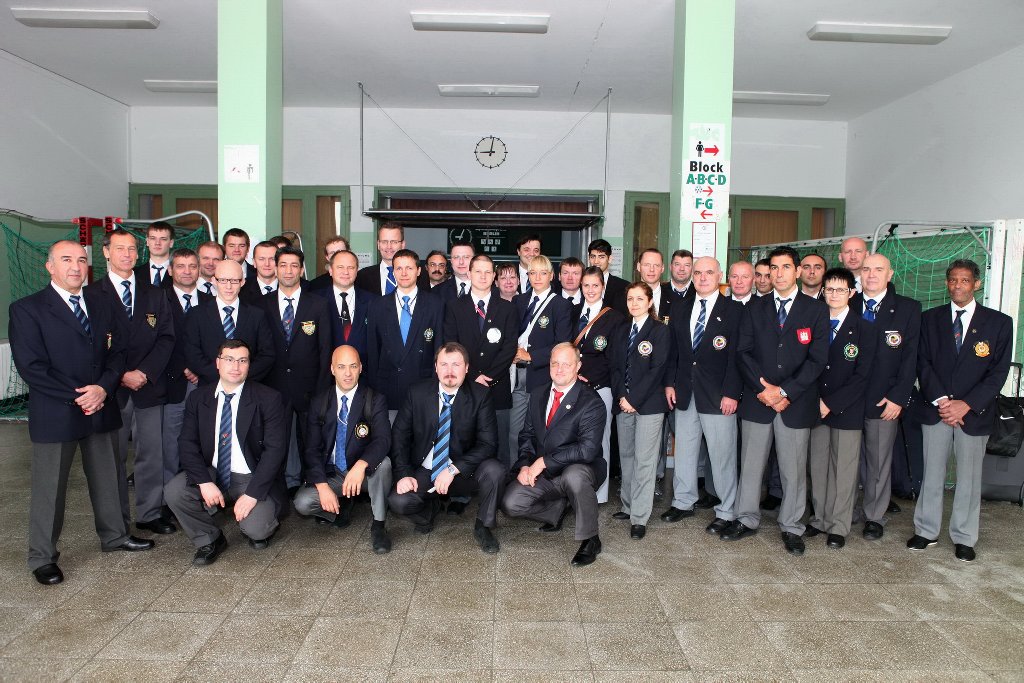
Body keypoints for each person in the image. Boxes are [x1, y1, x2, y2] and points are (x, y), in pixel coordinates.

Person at [9, 240, 154, 585]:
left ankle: (115, 535)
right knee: (50, 488)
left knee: (108, 477)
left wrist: (103, 388)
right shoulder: (27, 309)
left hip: (101, 404)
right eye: (66, 260)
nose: (75, 266)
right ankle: (42, 557)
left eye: (79, 260)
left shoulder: (101, 302)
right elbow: (32, 367)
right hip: (57, 411)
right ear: (50, 267)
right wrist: (81, 397)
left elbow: (118, 352)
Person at [722, 246, 828, 556]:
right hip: (759, 400)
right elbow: (743, 353)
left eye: (785, 267)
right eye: (774, 269)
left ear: (798, 271)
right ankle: (746, 518)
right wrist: (765, 389)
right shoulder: (755, 308)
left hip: (795, 402)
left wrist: (784, 392)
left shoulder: (816, 310)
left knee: (793, 470)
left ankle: (792, 526)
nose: (779, 274)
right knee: (751, 465)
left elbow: (817, 360)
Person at [909, 259, 1012, 562]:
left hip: (973, 413)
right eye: (953, 280)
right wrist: (942, 400)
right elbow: (922, 362)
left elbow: (998, 371)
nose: (958, 285)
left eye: (964, 280)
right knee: (931, 474)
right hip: (937, 410)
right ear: (947, 283)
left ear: (976, 284)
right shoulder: (929, 319)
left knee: (969, 478)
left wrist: (966, 404)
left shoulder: (998, 323)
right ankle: (926, 531)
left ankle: (965, 537)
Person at [164, 340, 289, 565]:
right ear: (218, 363)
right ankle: (209, 538)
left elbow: (275, 451)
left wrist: (252, 495)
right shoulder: (198, 398)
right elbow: (187, 443)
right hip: (213, 472)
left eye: (242, 361)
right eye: (229, 360)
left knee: (257, 530)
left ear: (249, 365)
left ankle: (254, 518)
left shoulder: (268, 398)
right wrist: (203, 482)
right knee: (174, 491)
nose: (236, 367)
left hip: (250, 476)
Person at [86, 228, 176, 535]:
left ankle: (150, 513)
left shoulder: (155, 293)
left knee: (151, 454)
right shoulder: (91, 295)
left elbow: (166, 337)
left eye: (132, 249)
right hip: (111, 391)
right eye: (120, 248)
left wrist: (144, 372)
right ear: (106, 252)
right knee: (112, 459)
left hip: (148, 386)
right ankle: (117, 524)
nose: (127, 254)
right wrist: (120, 375)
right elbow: (91, 343)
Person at [388, 343, 506, 553]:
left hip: (463, 472)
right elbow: (399, 436)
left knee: (495, 470)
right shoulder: (417, 393)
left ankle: (484, 526)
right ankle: (428, 511)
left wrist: (453, 469)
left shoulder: (480, 395)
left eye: (456, 365)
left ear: (467, 368)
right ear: (435, 367)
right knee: (398, 501)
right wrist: (404, 474)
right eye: (444, 364)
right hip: (427, 470)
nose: (449, 371)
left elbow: (488, 444)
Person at [502, 343, 607, 566]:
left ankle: (591, 539)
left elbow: (587, 450)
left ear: (578, 366)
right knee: (511, 503)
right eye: (554, 363)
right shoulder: (538, 394)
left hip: (581, 469)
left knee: (574, 476)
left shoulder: (591, 401)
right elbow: (527, 435)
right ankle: (556, 510)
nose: (559, 369)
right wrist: (524, 465)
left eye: (566, 364)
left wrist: (544, 462)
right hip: (547, 474)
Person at [664, 257, 743, 534]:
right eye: (697, 273)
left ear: (720, 276)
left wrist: (732, 392)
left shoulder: (734, 310)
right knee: (685, 452)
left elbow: (737, 357)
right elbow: (673, 351)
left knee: (722, 456)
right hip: (686, 391)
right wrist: (670, 383)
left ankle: (727, 510)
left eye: (709, 272)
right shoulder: (680, 307)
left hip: (719, 395)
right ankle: (683, 501)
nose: (702, 277)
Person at [850, 253, 921, 540]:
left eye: (878, 269)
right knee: (847, 461)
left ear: (890, 274)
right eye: (866, 269)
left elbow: (911, 357)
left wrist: (898, 397)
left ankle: (874, 516)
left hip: (884, 399)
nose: (871, 274)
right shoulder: (846, 302)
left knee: (878, 462)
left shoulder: (907, 308)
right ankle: (846, 511)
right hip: (847, 399)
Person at [297, 345, 393, 554]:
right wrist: (323, 487)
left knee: (384, 464)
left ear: (361, 368)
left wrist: (361, 465)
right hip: (334, 473)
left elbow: (383, 440)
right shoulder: (319, 402)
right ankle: (338, 509)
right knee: (303, 503)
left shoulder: (374, 399)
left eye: (353, 366)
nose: (347, 373)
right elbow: (311, 449)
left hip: (364, 474)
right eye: (341, 367)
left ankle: (379, 525)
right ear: (332, 369)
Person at [806, 268, 876, 549]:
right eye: (830, 289)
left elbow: (863, 375)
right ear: (823, 292)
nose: (834, 295)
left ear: (852, 293)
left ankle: (838, 525)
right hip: (814, 406)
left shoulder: (864, 328)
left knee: (844, 469)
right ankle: (819, 519)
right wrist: (817, 401)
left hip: (846, 408)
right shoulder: (813, 322)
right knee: (818, 466)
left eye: (841, 290)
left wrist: (831, 403)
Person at [260, 246, 332, 493]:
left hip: (309, 388)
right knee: (275, 441)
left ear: (302, 270)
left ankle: (312, 487)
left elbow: (325, 350)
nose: (288, 271)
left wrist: (322, 390)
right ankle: (279, 489)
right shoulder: (262, 305)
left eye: (294, 265)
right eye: (283, 265)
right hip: (273, 387)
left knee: (310, 440)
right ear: (275, 268)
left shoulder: (318, 304)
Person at [443, 254, 518, 472]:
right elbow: (451, 345)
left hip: (498, 386)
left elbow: (509, 348)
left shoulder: (507, 308)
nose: (483, 276)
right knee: (463, 442)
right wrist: (474, 374)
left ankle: (500, 486)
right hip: (465, 385)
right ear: (469, 274)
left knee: (500, 443)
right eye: (478, 271)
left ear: (494, 276)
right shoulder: (454, 307)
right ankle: (462, 487)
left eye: (488, 272)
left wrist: (489, 376)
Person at [610, 281, 670, 539]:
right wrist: (622, 396)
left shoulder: (659, 331)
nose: (634, 304)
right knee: (626, 456)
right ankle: (627, 505)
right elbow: (614, 367)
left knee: (644, 460)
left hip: (649, 405)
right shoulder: (621, 330)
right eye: (630, 299)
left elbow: (658, 370)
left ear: (650, 302)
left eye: (639, 299)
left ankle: (639, 516)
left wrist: (634, 399)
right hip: (624, 402)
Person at [366, 249, 446, 421]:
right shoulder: (377, 305)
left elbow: (439, 347)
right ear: (393, 272)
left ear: (418, 271)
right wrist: (374, 390)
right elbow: (372, 351)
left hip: (423, 388)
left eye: (409, 268)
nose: (404, 273)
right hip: (387, 390)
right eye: (399, 268)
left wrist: (436, 386)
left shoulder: (435, 304)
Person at [510, 255, 572, 467]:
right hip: (516, 373)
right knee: (515, 431)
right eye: (533, 273)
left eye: (543, 273)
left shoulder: (560, 305)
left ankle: (540, 474)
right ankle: (516, 472)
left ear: (551, 276)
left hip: (542, 374)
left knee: (540, 431)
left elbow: (562, 344)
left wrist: (531, 356)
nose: (537, 277)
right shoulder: (519, 301)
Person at [572, 266, 625, 504]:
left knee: (600, 440)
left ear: (603, 287)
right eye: (586, 285)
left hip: (600, 388)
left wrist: (590, 378)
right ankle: (576, 489)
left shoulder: (615, 318)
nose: (590, 290)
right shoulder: (573, 312)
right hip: (573, 387)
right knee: (575, 440)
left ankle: (599, 494)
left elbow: (615, 358)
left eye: (595, 285)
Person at [162, 248, 213, 489]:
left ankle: (200, 491)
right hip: (171, 383)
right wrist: (185, 367)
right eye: (180, 266)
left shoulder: (210, 301)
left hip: (204, 382)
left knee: (202, 439)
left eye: (192, 266)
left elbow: (214, 342)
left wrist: (199, 369)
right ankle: (170, 496)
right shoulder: (158, 300)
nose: (187, 271)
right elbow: (156, 341)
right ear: (170, 270)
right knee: (171, 443)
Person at [183, 258, 275, 385]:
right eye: (223, 280)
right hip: (209, 387)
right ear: (214, 281)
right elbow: (192, 353)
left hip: (248, 386)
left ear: (242, 282)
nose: (228, 286)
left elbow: (267, 354)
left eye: (234, 281)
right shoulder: (196, 314)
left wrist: (240, 376)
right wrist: (223, 378)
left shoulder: (257, 315)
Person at [314, 249, 372, 361]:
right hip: (326, 368)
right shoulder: (315, 300)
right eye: (340, 267)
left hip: (363, 369)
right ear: (330, 270)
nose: (346, 272)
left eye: (351, 267)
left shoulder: (373, 301)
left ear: (357, 271)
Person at [355, 222, 406, 296]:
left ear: (403, 244)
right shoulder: (362, 276)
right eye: (384, 242)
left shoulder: (415, 276)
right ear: (378, 245)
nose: (389, 246)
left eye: (394, 242)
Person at [587, 238, 629, 314]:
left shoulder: (624, 286)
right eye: (593, 257)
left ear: (610, 259)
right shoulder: (581, 284)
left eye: (601, 257)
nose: (596, 261)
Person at [635, 248, 673, 321]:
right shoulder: (624, 298)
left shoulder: (675, 299)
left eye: (656, 265)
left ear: (662, 268)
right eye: (647, 265)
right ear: (638, 267)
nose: (651, 269)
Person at [135, 221, 175, 288]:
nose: (157, 243)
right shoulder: (134, 273)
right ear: (147, 242)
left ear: (171, 243)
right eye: (153, 238)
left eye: (163, 239)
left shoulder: (180, 274)